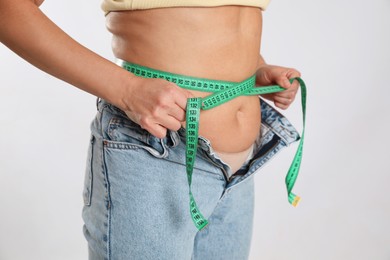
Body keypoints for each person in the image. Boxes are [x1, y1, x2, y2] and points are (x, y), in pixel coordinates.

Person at [0, 0, 303, 259]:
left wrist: (251, 68)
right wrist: (127, 89)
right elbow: (8, 11)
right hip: (155, 154)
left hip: (239, 173)